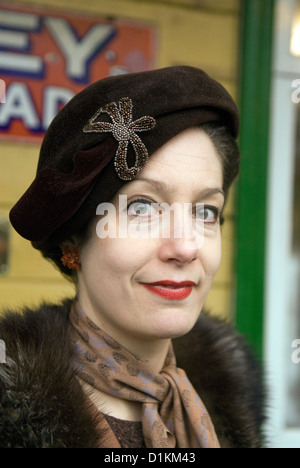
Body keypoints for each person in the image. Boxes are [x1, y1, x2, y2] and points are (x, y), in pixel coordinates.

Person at [0, 66, 265, 448]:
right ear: (73, 241)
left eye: (205, 211)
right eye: (142, 207)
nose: (186, 247)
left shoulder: (233, 393)